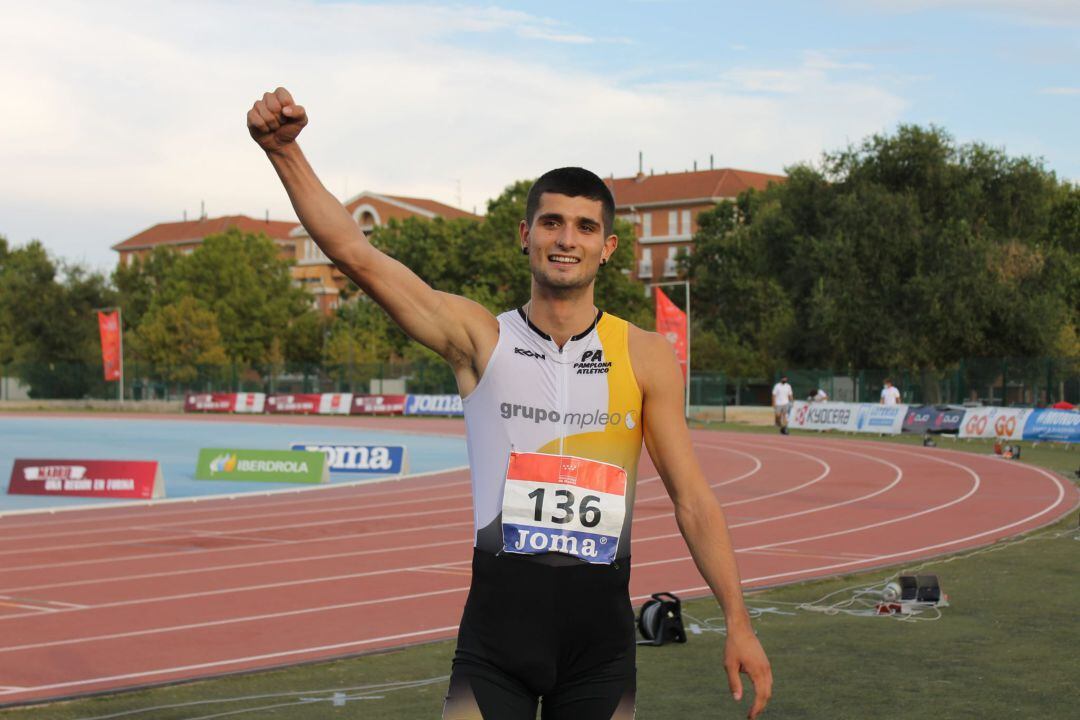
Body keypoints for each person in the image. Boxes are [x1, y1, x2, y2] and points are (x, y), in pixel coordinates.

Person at [247, 87, 771, 720]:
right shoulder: (479, 338)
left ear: (607, 247)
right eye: (551, 222)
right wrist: (286, 153)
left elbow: (692, 497)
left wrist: (737, 620)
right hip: (496, 641)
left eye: (585, 227)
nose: (566, 239)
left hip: (599, 649)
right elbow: (357, 254)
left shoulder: (645, 356)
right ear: (526, 235)